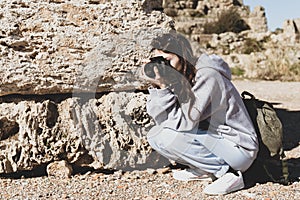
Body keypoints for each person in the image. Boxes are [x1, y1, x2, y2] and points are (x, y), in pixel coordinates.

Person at [140, 32, 259, 195]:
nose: (165, 67)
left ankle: (228, 174)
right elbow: (161, 119)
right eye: (158, 61)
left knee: (169, 136)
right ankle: (205, 169)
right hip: (215, 140)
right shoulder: (181, 77)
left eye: (167, 61)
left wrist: (162, 87)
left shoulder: (207, 75)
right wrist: (158, 85)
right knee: (155, 136)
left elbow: (184, 123)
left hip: (239, 148)